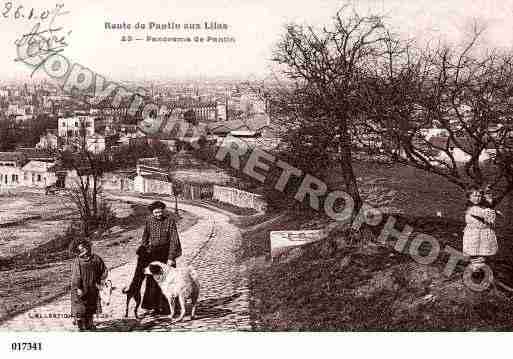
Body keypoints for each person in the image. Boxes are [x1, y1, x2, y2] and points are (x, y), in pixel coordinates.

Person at [140, 200, 182, 315]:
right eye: (156, 212)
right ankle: (153, 306)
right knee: (153, 280)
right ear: (152, 212)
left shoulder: (170, 220)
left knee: (168, 280)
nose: (158, 214)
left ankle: (168, 307)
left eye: (160, 212)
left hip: (167, 252)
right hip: (153, 253)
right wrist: (145, 250)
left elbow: (174, 239)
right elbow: (145, 236)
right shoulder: (149, 220)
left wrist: (171, 257)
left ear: (163, 210)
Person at [71, 240, 108, 331]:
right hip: (80, 288)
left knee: (91, 306)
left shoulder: (96, 259)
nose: (82, 251)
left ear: (88, 247)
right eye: (80, 249)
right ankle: (80, 325)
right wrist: (79, 287)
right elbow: (76, 276)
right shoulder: (77, 261)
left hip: (92, 287)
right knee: (80, 307)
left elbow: (104, 270)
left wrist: (100, 282)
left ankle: (89, 324)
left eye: (83, 248)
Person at [462, 187, 498, 272]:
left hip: (484, 234)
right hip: (474, 234)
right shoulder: (472, 208)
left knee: (482, 256)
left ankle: (480, 274)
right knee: (475, 256)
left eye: (479, 196)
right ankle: (475, 275)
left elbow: (491, 218)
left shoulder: (481, 207)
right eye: (474, 196)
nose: (477, 198)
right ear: (469, 197)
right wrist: (490, 204)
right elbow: (488, 215)